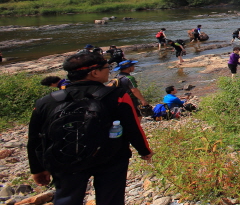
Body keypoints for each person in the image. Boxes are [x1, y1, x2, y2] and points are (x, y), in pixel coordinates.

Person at [27, 52, 152, 205]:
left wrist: (37, 168)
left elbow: (34, 138)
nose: (109, 70)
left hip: (64, 156)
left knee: (67, 198)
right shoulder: (117, 95)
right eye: (107, 67)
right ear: (94, 72)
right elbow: (132, 127)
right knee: (111, 198)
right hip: (111, 157)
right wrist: (144, 151)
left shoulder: (46, 102)